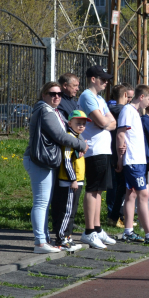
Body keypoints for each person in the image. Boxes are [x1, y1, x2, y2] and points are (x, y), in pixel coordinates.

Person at [23, 82, 87, 253]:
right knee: (41, 202)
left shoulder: (54, 111)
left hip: (46, 161)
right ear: (44, 95)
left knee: (44, 201)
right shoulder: (45, 110)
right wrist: (80, 145)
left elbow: (69, 129)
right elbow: (59, 135)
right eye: (52, 93)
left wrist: (79, 142)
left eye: (59, 94)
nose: (57, 96)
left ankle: (44, 239)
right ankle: (40, 243)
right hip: (39, 161)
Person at [116, 85, 149, 246]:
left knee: (131, 194)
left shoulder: (136, 113)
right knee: (143, 195)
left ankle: (128, 231)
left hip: (138, 161)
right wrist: (120, 159)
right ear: (141, 97)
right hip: (133, 161)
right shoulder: (128, 111)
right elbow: (120, 134)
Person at [78, 66, 117, 249]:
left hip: (104, 149)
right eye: (103, 78)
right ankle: (88, 231)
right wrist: (105, 122)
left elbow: (112, 123)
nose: (106, 82)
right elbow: (103, 122)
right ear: (93, 79)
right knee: (92, 189)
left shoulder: (100, 99)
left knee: (99, 191)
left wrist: (105, 122)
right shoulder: (87, 96)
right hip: (93, 149)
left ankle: (97, 228)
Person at [51, 110, 90, 251]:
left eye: (83, 124)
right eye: (78, 123)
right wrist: (73, 179)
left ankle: (68, 237)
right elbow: (66, 161)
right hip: (69, 181)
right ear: (70, 123)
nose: (81, 126)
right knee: (67, 211)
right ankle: (61, 238)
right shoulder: (69, 138)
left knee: (72, 210)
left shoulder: (78, 137)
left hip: (77, 180)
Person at [106, 83, 134, 220]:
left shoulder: (106, 109)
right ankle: (118, 214)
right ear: (124, 95)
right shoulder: (126, 111)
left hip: (107, 148)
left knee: (111, 183)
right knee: (122, 185)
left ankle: (111, 212)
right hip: (122, 150)